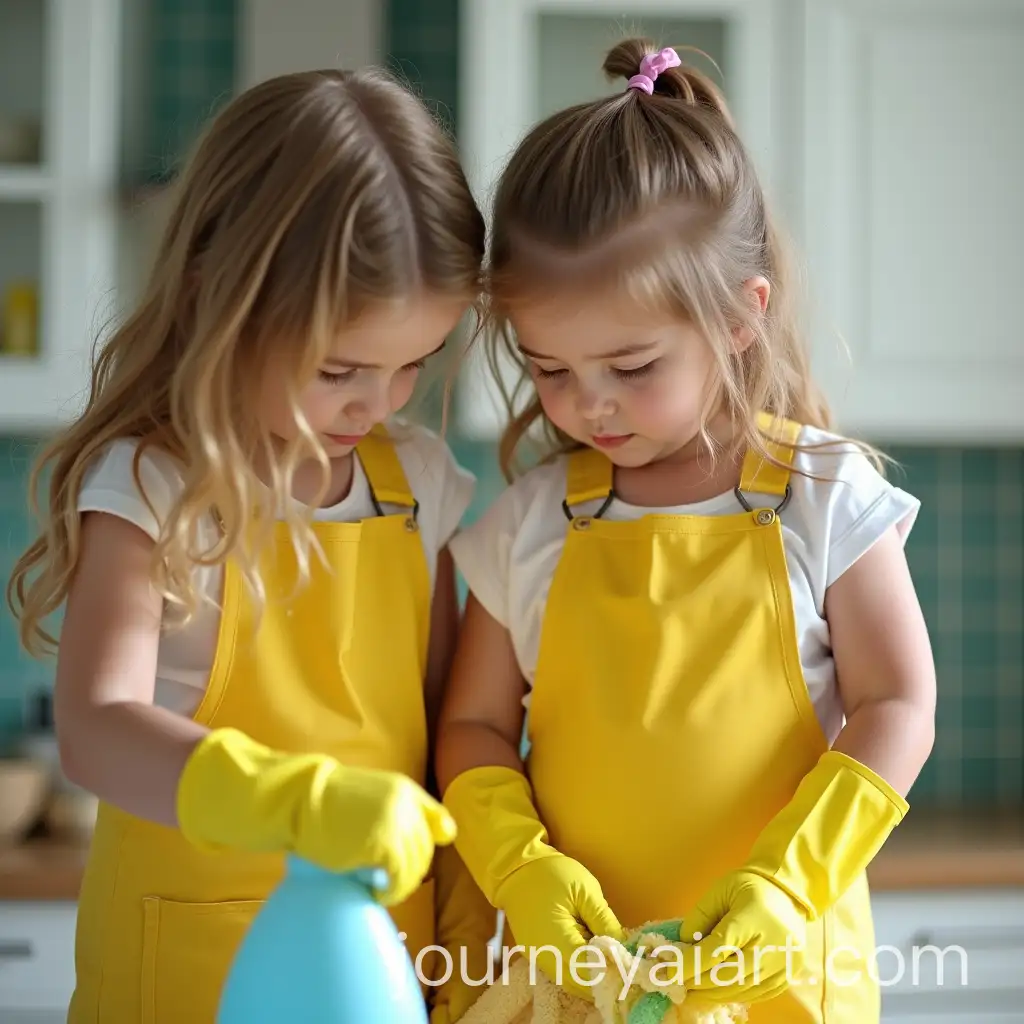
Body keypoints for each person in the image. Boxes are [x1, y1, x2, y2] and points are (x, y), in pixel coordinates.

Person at [435, 39, 936, 1023]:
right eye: (548, 369)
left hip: (782, 980)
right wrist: (517, 867)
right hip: (576, 986)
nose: (589, 406)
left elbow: (898, 702)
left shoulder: (821, 494)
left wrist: (788, 887)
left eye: (631, 365)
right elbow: (474, 727)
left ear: (740, 317)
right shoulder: (533, 522)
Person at [7, 66, 486, 1023]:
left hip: (380, 961)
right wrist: (289, 801)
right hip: (185, 972)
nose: (380, 403)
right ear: (218, 298)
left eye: (414, 365)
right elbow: (99, 729)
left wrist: (474, 915)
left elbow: (441, 727)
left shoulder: (420, 482)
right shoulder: (155, 483)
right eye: (341, 368)